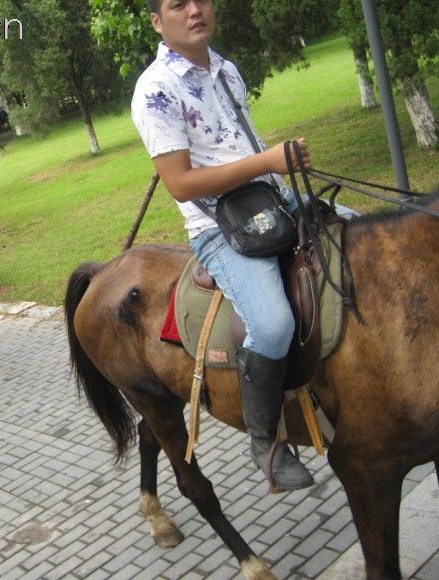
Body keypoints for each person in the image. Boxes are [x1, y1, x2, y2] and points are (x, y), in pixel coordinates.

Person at [131, 0, 314, 491]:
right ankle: (266, 442)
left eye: (201, 0)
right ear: (157, 21)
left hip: (268, 200)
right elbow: (181, 184)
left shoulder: (225, 69)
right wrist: (268, 162)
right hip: (218, 224)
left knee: (371, 241)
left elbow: (239, 146)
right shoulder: (155, 89)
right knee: (273, 325)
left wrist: (276, 162)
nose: (195, 10)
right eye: (177, 5)